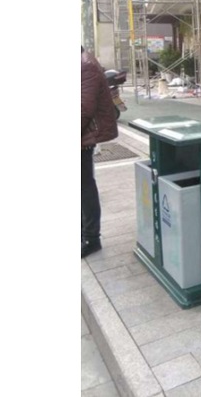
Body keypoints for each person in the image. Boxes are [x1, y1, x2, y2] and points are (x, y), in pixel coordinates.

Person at [82, 46, 119, 258]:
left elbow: (83, 109)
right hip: (82, 135)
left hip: (84, 137)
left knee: (85, 187)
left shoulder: (85, 65)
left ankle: (91, 238)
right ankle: (84, 232)